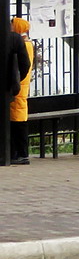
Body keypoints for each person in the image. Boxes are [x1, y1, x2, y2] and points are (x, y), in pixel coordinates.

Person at [6, 18, 32, 166]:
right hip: (20, 86)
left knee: (18, 121)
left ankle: (21, 153)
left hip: (18, 87)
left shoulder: (22, 44)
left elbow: (21, 66)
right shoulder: (26, 43)